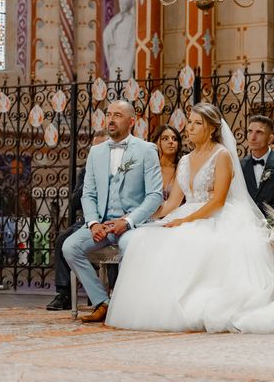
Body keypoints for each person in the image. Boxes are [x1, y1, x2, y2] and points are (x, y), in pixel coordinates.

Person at [105, 103, 274, 333]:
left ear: (212, 128)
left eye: (198, 123)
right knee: (144, 238)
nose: (190, 128)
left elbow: (218, 201)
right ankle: (157, 306)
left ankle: (196, 305)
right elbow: (173, 203)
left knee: (194, 241)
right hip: (187, 213)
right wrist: (139, 215)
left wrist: (184, 221)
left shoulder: (221, 155)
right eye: (190, 122)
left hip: (217, 216)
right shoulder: (185, 160)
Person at [62, 100, 163, 322]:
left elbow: (155, 196)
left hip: (132, 225)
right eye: (108, 114)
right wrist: (93, 223)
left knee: (129, 246)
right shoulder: (96, 152)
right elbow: (88, 194)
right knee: (70, 246)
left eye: (117, 115)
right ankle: (102, 302)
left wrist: (127, 221)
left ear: (132, 121)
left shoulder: (146, 150)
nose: (111, 119)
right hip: (102, 224)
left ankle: (128, 307)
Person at [46, 130, 108, 311]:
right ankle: (64, 293)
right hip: (85, 221)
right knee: (62, 240)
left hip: (108, 220)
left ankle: (104, 292)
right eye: (93, 149)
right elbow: (74, 203)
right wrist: (89, 178)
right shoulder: (85, 172)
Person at [103, 0, 135, 80]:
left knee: (126, 77)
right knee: (115, 79)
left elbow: (134, 38)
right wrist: (114, 24)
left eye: (124, 5)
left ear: (128, 6)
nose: (122, 7)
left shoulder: (133, 20)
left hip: (128, 53)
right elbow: (106, 34)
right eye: (120, 5)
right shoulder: (116, 19)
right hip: (116, 53)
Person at [152, 124, 183, 201]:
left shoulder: (182, 167)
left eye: (175, 139)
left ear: (178, 144)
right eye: (165, 139)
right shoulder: (150, 167)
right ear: (157, 143)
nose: (171, 142)